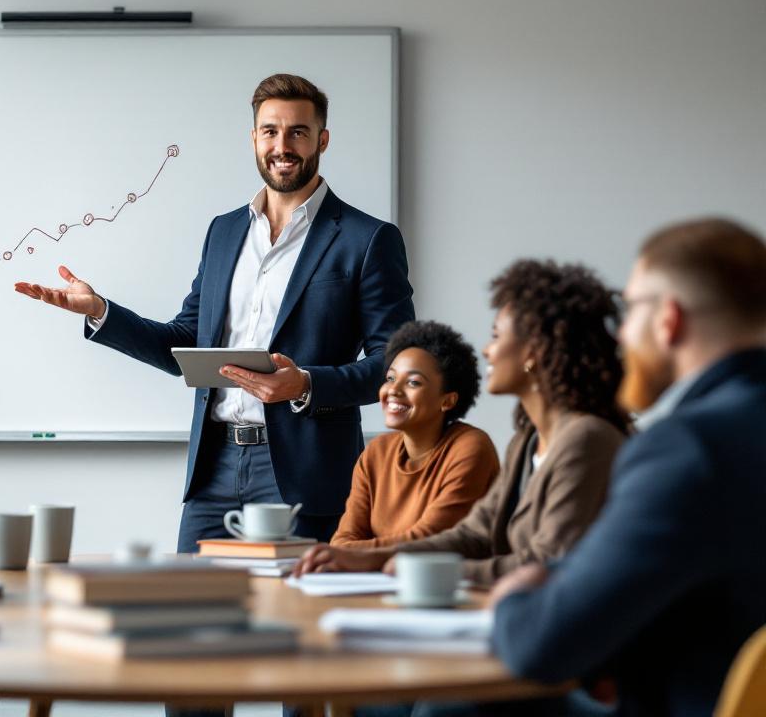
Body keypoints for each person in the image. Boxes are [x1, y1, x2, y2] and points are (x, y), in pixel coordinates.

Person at [16, 73, 415, 550]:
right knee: (190, 608)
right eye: (270, 131)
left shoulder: (366, 238)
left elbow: (396, 366)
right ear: (254, 138)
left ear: (322, 140)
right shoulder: (223, 232)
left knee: (295, 618)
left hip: (302, 475)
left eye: (298, 132)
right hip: (214, 470)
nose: (282, 145)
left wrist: (305, 384)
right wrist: (102, 311)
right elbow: (184, 344)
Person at [490, 219, 766, 716]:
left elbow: (542, 647)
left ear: (668, 321)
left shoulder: (687, 447)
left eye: (630, 308)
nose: (619, 337)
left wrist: (511, 597)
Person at [294, 260, 629, 588]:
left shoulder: (586, 439)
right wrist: (372, 559)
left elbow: (546, 563)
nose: (487, 350)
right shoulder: (526, 441)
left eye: (496, 336)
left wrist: (438, 571)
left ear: (533, 352)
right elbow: (475, 534)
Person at [328, 320, 498, 548]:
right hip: (381, 580)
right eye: (390, 378)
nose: (393, 391)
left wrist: (349, 553)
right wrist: (345, 552)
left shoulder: (471, 448)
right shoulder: (376, 453)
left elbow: (427, 541)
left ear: (448, 400)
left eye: (413, 382)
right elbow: (342, 541)